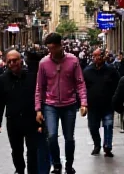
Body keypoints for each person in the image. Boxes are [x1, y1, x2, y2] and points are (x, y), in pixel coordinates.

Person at [35, 32, 88, 174]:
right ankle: (57, 163)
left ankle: (69, 164)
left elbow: (80, 83)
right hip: (50, 105)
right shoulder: (44, 63)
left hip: (69, 105)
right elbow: (39, 87)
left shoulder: (73, 61)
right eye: (49, 48)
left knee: (69, 137)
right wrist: (38, 109)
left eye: (53, 48)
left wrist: (84, 103)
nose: (51, 51)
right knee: (51, 136)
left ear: (60, 46)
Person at [0, 49, 40, 174]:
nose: (12, 63)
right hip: (13, 120)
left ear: (21, 60)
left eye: (15, 60)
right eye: (9, 61)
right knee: (16, 149)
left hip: (31, 119)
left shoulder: (32, 76)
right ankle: (20, 169)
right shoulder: (3, 79)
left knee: (32, 149)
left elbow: (39, 97)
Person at [83, 47, 119, 157]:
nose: (96, 58)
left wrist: (116, 99)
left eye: (98, 55)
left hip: (108, 104)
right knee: (93, 127)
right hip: (93, 105)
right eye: (94, 56)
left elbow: (118, 85)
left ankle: (107, 147)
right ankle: (97, 145)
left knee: (108, 125)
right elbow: (83, 87)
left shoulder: (111, 70)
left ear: (103, 56)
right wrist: (83, 102)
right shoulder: (88, 71)